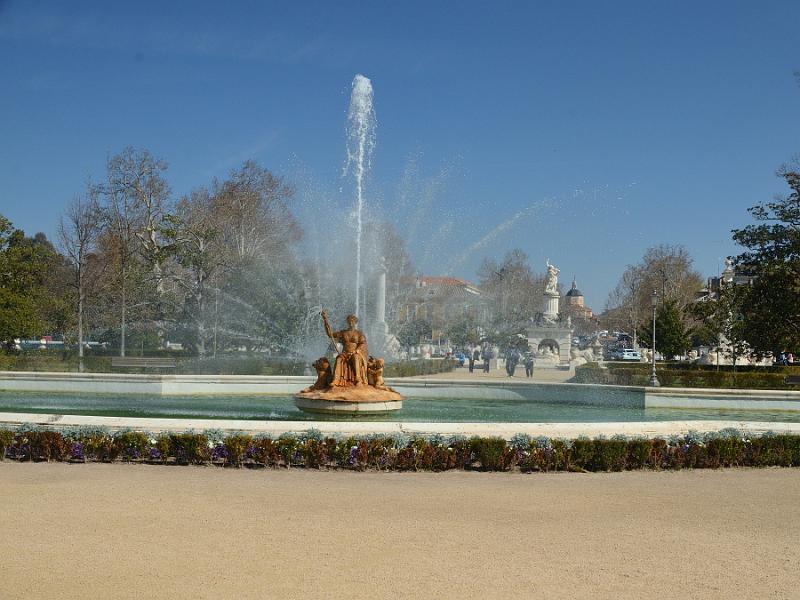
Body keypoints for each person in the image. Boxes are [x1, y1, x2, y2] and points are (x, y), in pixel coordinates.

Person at [320, 310, 368, 387]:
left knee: (355, 357)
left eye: (352, 321)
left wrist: (357, 350)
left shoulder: (359, 333)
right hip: (345, 353)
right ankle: (336, 380)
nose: (351, 322)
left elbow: (363, 343)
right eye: (349, 320)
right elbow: (330, 334)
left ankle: (358, 379)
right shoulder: (343, 332)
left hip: (355, 353)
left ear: (355, 322)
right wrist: (325, 320)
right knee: (339, 359)